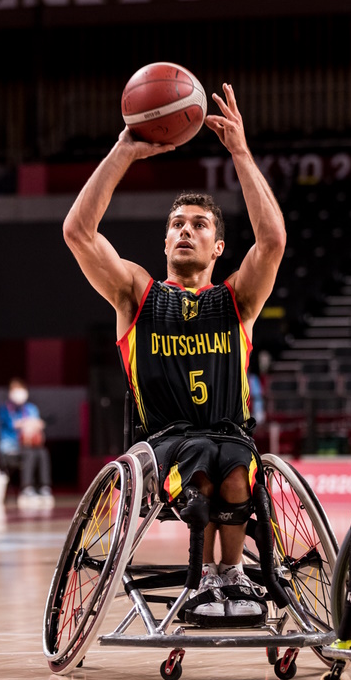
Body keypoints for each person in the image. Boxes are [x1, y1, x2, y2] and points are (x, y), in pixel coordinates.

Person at [63, 83, 286, 624]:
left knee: (233, 462)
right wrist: (124, 152)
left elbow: (273, 240)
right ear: (165, 243)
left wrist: (239, 151)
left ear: (218, 248)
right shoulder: (137, 294)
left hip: (229, 433)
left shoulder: (237, 300)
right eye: (177, 225)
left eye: (200, 225)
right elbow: (77, 231)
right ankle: (205, 579)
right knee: (203, 464)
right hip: (163, 444)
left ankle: (228, 576)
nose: (186, 230)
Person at [0, 378, 53, 499]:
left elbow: (39, 424)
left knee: (43, 453)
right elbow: (14, 424)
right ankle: (27, 487)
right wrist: (28, 424)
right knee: (30, 454)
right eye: (15, 391)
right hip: (11, 447)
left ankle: (44, 487)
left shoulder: (31, 408)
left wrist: (32, 425)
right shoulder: (5, 409)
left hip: (30, 445)